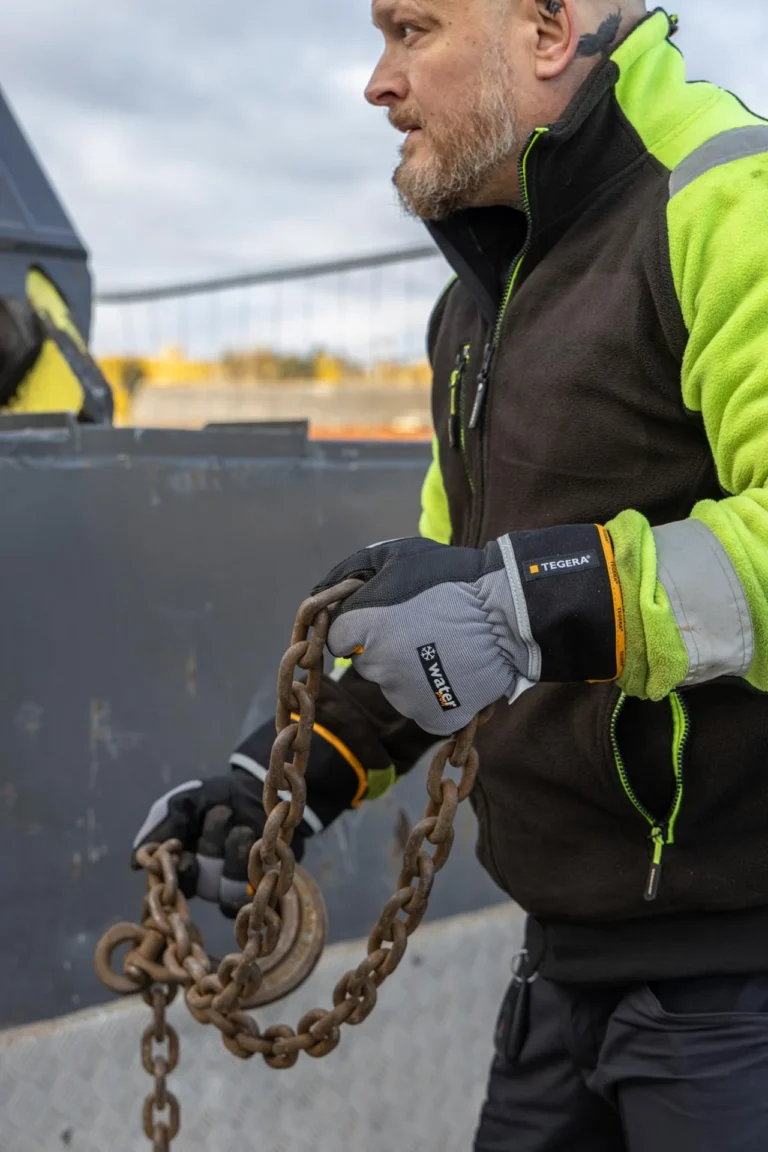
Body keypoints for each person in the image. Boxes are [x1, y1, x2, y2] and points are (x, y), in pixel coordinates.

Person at [133, 1, 768, 1147]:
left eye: (412, 29)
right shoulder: (477, 304)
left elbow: (498, 608)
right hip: (563, 982)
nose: (378, 82)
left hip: (738, 998)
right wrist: (277, 783)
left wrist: (525, 603)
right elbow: (446, 628)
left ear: (548, 28)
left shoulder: (730, 200)